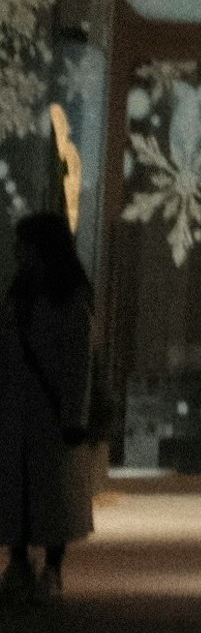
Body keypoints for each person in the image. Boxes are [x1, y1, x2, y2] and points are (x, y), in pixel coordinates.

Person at [0, 212, 94, 605]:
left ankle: (51, 567)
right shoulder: (22, 292)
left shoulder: (67, 298)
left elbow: (77, 361)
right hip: (18, 407)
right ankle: (18, 562)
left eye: (25, 243)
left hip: (49, 410)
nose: (19, 251)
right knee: (17, 488)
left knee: (51, 491)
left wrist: (74, 414)